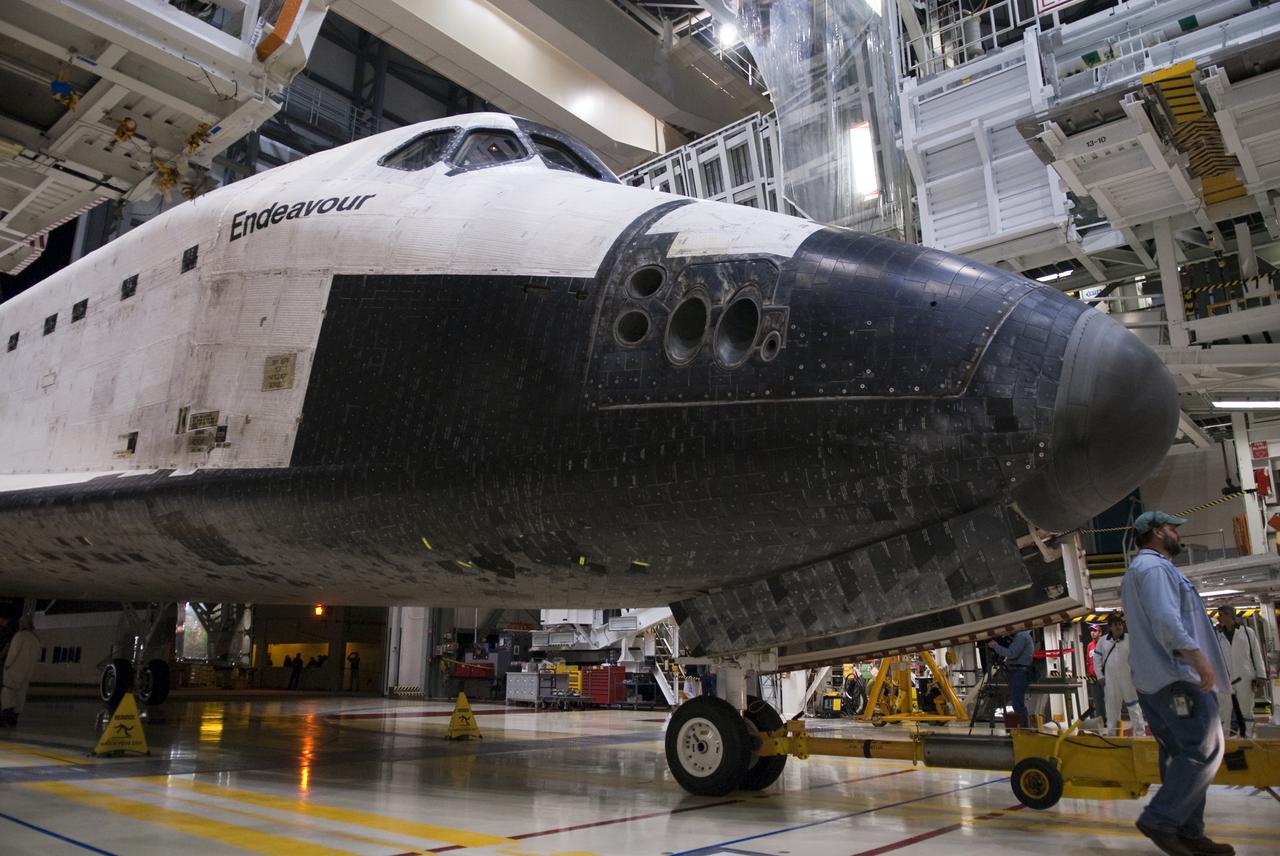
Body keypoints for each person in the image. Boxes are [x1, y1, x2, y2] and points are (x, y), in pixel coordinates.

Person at [1121, 511, 1233, 856]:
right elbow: (1166, 620)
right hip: (1177, 678)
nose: (1177, 535)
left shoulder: (1139, 571)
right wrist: (1199, 660)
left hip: (1155, 682)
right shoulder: (1154, 569)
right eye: (1172, 529)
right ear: (1157, 533)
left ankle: (1188, 832)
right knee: (1205, 749)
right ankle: (1162, 820)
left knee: (1179, 755)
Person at [1215, 607, 1266, 738]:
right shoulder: (1216, 635)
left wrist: (1261, 676)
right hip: (1224, 680)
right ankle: (1225, 741)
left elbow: (1256, 654)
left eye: (1221, 615)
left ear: (1231, 615)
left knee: (1246, 711)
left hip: (1245, 678)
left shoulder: (1248, 633)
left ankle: (1247, 738)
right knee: (1224, 712)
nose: (1219, 617)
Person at [1100, 612, 1146, 737]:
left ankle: (1140, 734)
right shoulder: (1103, 641)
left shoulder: (1130, 639)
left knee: (1134, 708)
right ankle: (1113, 735)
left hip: (1128, 680)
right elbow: (1096, 659)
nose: (1119, 626)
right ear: (1110, 627)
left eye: (1120, 624)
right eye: (1115, 625)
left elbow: (1139, 657)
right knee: (1112, 710)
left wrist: (1139, 674)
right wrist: (1100, 676)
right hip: (1111, 682)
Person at [988, 629, 1034, 729]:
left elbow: (1012, 653)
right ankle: (1023, 728)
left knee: (1017, 703)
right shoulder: (1023, 636)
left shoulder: (1021, 636)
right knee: (1017, 702)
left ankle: (1024, 729)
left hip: (1019, 672)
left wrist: (996, 646)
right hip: (1018, 671)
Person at [1, 614, 41, 727]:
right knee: (21, 695)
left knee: (8, 693)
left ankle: (6, 717)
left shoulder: (19, 636)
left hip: (14, 671)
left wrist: (7, 665)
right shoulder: (35, 639)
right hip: (27, 673)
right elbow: (38, 656)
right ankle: (14, 717)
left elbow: (13, 654)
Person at [1089, 622, 1112, 725]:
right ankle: (1101, 721)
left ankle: (1111, 719)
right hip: (1093, 677)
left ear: (1100, 632)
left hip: (1104, 676)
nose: (1093, 633)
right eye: (1091, 631)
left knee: (1108, 699)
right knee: (1097, 701)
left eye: (1095, 631)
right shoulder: (1090, 646)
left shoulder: (1105, 643)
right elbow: (1088, 661)